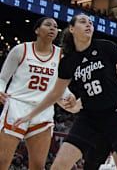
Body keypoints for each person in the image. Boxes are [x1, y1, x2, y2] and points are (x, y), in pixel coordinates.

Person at [13, 14, 117, 170]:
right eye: (83, 22)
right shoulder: (68, 61)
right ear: (72, 29)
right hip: (89, 118)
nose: (89, 25)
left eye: (91, 23)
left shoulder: (105, 47)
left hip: (116, 114)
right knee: (58, 167)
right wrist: (29, 115)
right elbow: (55, 93)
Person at [0, 17, 71, 170]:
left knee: (38, 166)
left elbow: (61, 84)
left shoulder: (61, 56)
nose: (53, 28)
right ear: (37, 30)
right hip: (17, 106)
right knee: (2, 161)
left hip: (43, 110)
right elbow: (3, 78)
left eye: (55, 27)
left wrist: (67, 95)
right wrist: (0, 89)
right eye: (48, 25)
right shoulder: (21, 50)